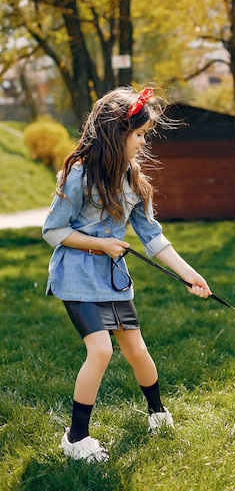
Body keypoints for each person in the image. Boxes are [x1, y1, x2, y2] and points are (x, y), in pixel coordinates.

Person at [42, 86, 211, 463]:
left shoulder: (134, 180)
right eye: (138, 134)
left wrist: (189, 274)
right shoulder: (79, 175)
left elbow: (153, 238)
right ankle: (76, 438)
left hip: (114, 279)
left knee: (136, 349)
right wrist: (101, 245)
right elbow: (53, 230)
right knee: (100, 350)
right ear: (115, 134)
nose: (142, 142)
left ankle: (157, 412)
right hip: (77, 276)